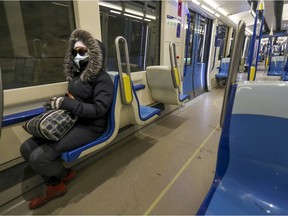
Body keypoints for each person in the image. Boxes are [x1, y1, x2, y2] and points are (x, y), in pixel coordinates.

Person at [20, 29, 114, 209]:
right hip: (74, 120)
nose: (76, 55)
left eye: (81, 52)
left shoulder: (103, 80)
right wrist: (59, 102)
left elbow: (99, 109)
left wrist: (66, 104)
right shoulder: (77, 76)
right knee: (26, 148)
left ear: (94, 55)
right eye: (74, 51)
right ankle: (64, 174)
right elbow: (75, 99)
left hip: (90, 126)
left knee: (40, 158)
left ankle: (55, 186)